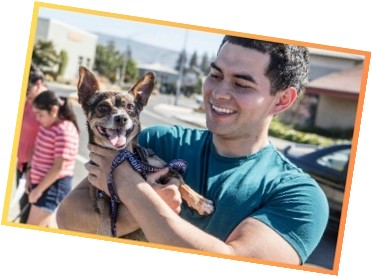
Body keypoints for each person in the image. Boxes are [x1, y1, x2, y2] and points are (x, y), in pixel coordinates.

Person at [56, 35, 329, 265]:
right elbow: (68, 219)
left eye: (242, 84)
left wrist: (131, 187)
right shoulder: (157, 141)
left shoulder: (299, 197)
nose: (219, 92)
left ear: (282, 100)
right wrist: (145, 208)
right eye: (215, 75)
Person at [25, 90, 80, 227]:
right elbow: (36, 149)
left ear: (54, 110)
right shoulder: (46, 126)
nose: (37, 119)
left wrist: (38, 191)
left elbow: (58, 167)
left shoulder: (64, 131)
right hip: (43, 183)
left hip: (54, 187)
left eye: (40, 114)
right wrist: (29, 174)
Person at [16, 63, 48, 223]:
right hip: (21, 165)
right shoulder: (28, 100)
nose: (25, 94)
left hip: (35, 168)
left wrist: (30, 168)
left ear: (38, 83)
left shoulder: (49, 106)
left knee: (29, 212)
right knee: (22, 206)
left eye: (27, 90)